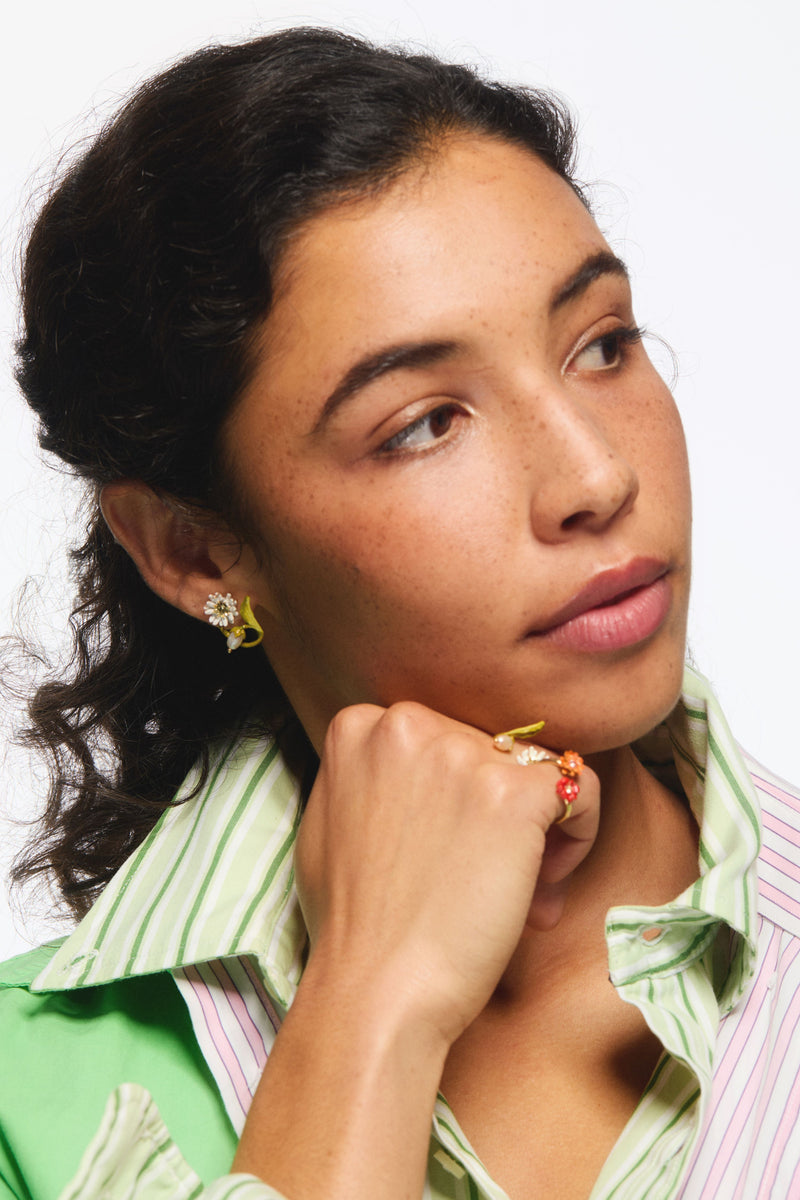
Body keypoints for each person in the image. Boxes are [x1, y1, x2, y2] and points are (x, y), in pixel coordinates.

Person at [1, 25, 799, 1200]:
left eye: (600, 345)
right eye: (423, 422)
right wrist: (371, 1008)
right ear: (195, 548)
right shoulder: (22, 1098)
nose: (594, 479)